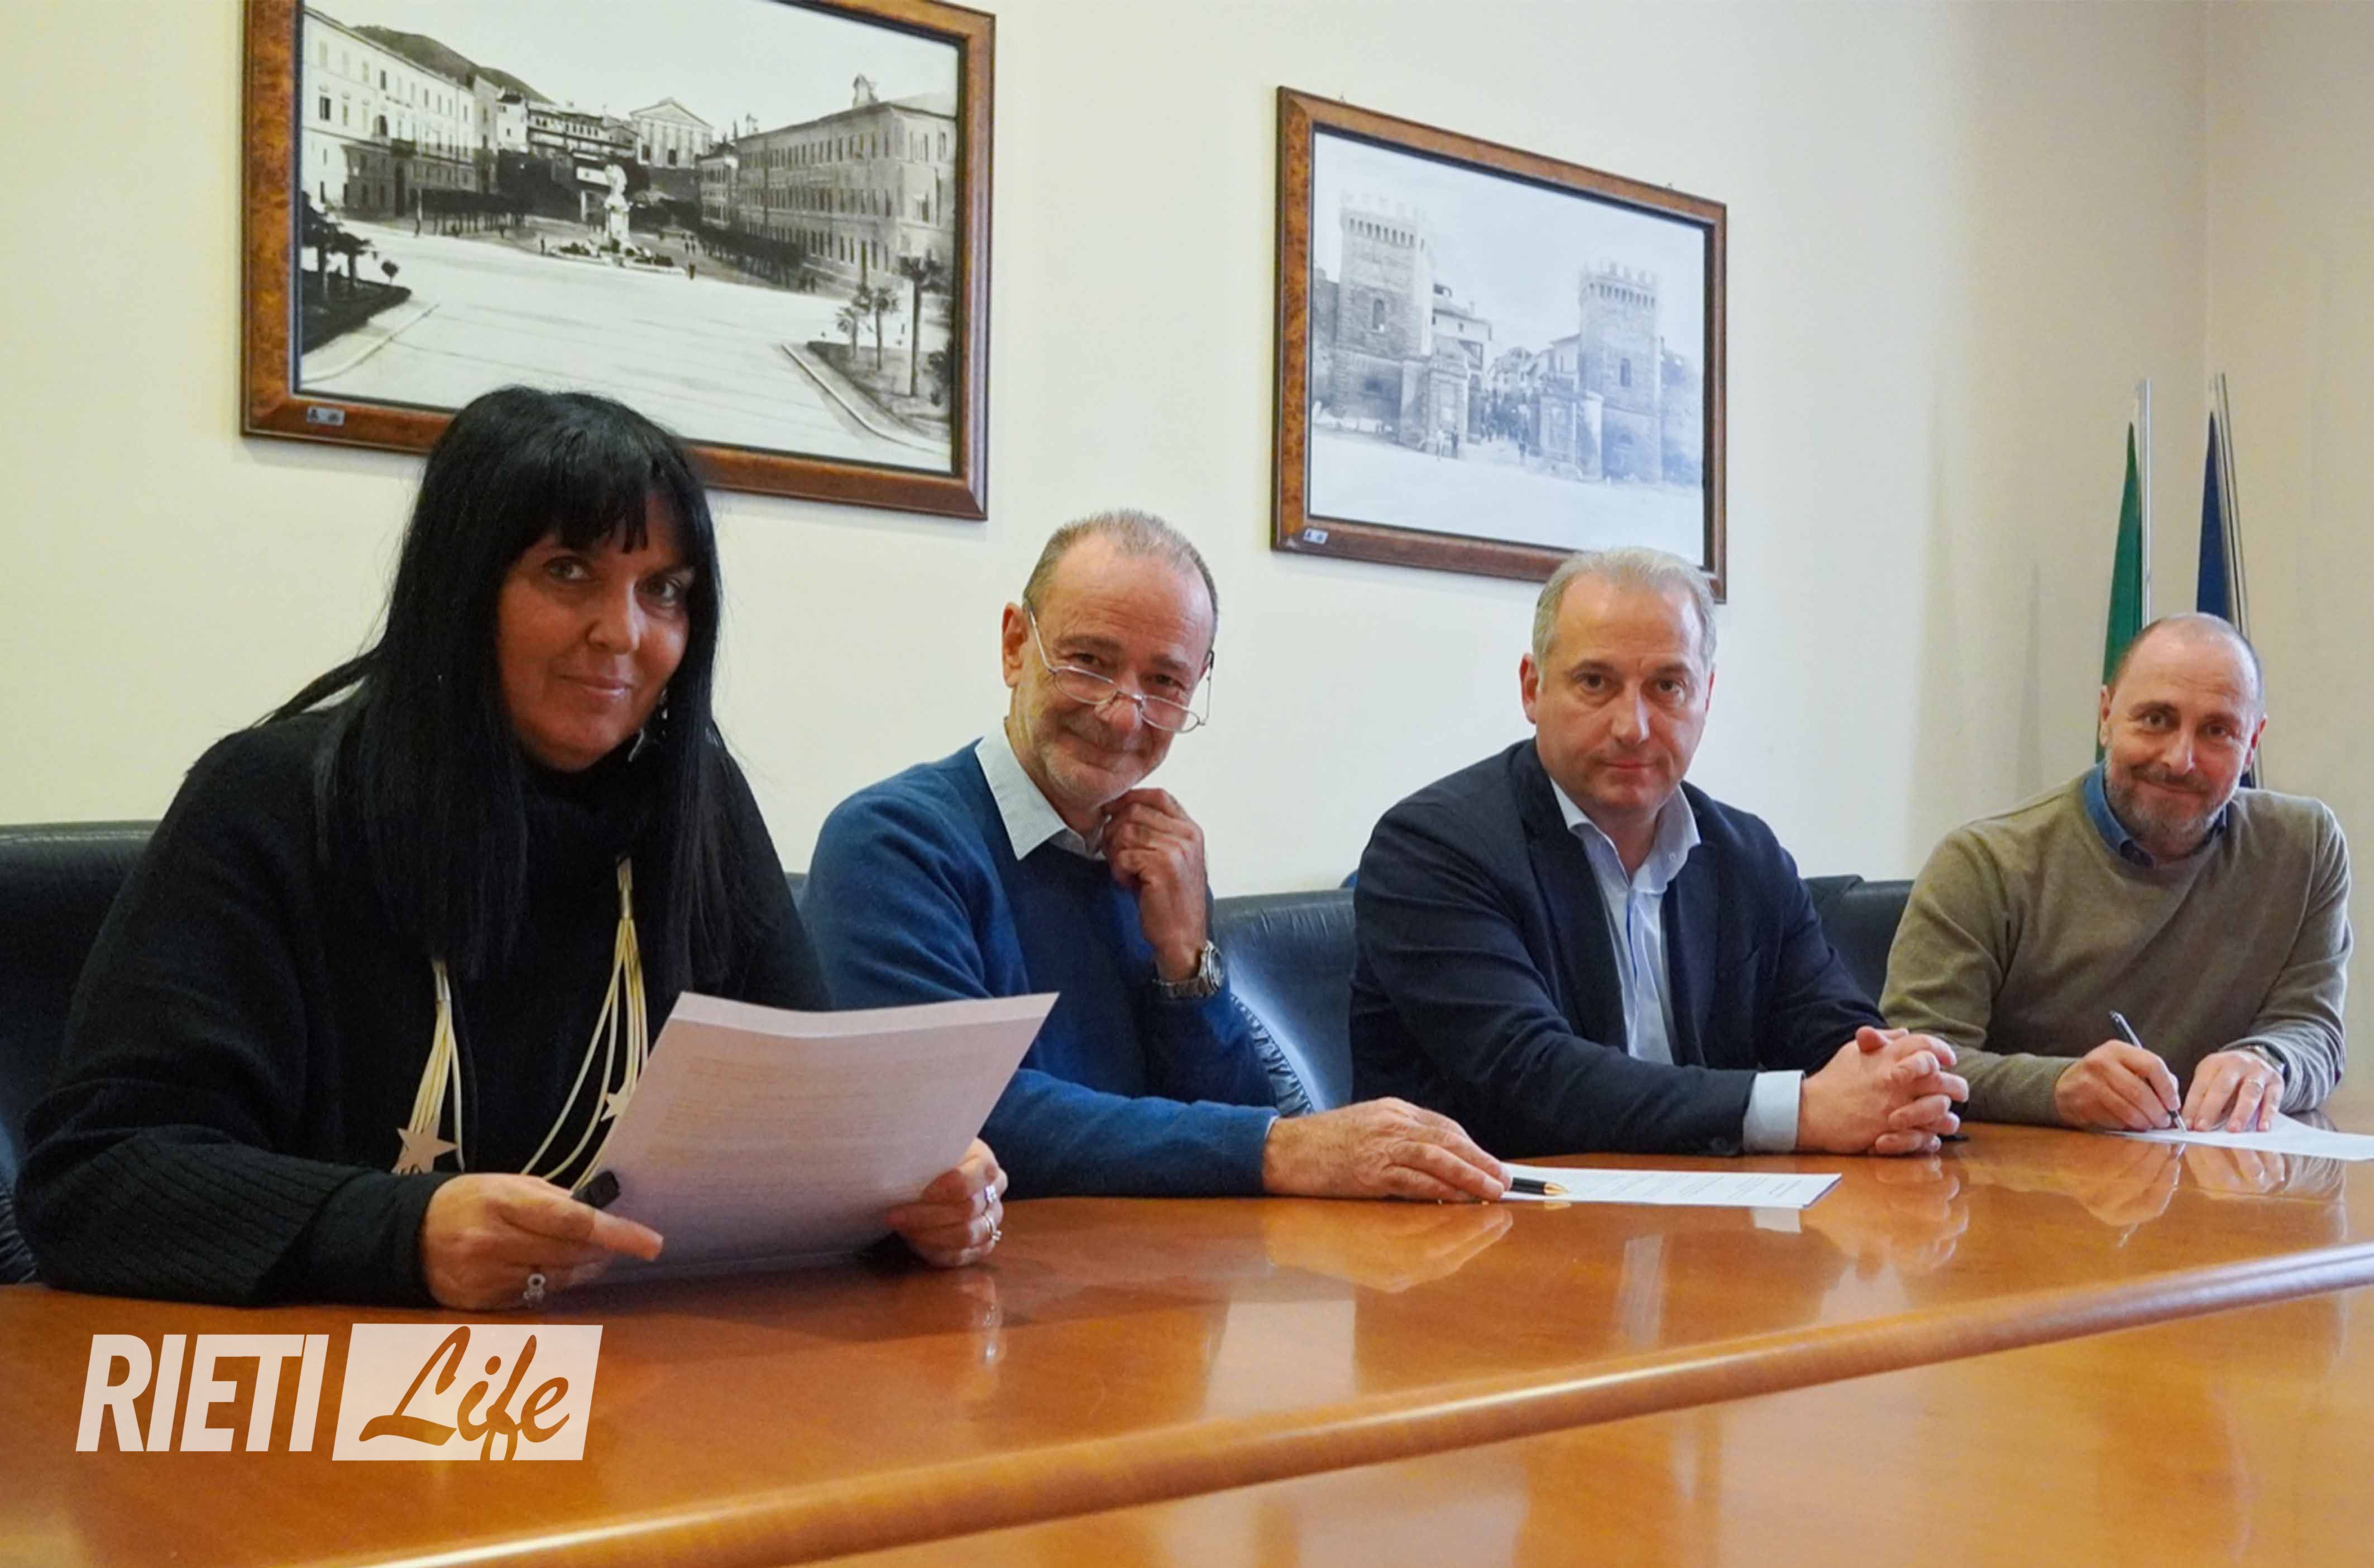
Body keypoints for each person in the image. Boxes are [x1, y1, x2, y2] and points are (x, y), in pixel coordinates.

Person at [18, 387, 1002, 1310]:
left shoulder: (695, 802)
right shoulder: (271, 802)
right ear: (461, 589)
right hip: (339, 1391)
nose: (622, 633)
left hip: (646, 1381)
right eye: (568, 572)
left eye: (663, 590)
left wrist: (911, 1188)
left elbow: (812, 1136)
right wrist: (401, 1232)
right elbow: (93, 1177)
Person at [803, 510, 1510, 1201]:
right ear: (1016, 645)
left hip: (1160, 1265)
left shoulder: (1159, 861)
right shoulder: (894, 842)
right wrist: (1272, 1148)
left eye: (1165, 683)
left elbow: (1233, 1118)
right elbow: (953, 1118)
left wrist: (1186, 966)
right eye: (1088, 662)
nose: (1122, 714)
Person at [1351, 546, 1967, 1159]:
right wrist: (1800, 1112)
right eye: (1596, 683)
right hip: (1498, 1209)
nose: (1633, 727)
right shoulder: (1433, 848)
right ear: (1533, 688)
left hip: (1709, 1211)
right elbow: (1531, 1076)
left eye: (1667, 686)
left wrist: (1898, 1084)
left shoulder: (1745, 855)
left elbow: (1836, 1035)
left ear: (1707, 696)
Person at [1882, 613, 2348, 1133]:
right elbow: (1911, 1062)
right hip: (2024, 1175)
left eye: (2217, 731)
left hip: (2217, 1173)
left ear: (2252, 744)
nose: (2181, 759)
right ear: (2106, 717)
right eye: (2156, 719)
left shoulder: (2305, 848)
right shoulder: (1982, 863)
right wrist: (2056, 1090)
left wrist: (2268, 1061)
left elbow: (2313, 1027)